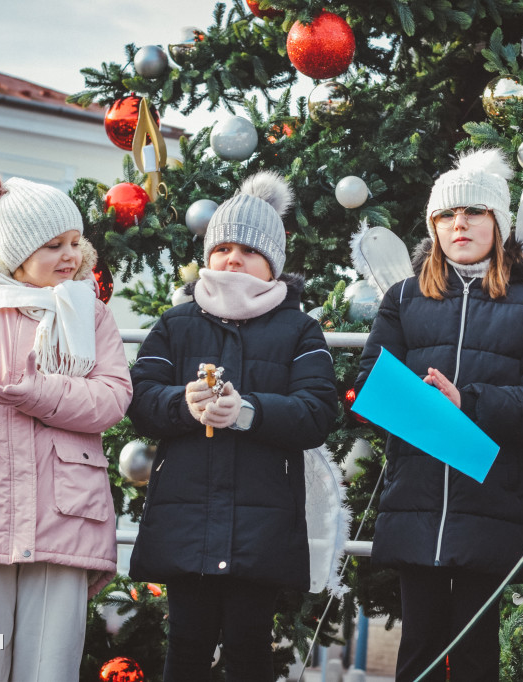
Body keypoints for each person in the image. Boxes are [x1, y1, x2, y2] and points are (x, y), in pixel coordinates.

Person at [356, 148, 523, 682]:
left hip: (489, 502)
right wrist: (412, 403)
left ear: (498, 224)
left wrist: (470, 402)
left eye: (475, 212)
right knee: (419, 650)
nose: (461, 224)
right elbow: (366, 382)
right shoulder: (405, 299)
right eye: (448, 215)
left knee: (477, 655)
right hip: (417, 501)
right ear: (433, 227)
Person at [0, 171, 132, 682]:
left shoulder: (93, 317)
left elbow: (112, 399)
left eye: (76, 243)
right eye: (53, 244)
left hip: (64, 510)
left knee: (49, 664)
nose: (70, 255)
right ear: (15, 252)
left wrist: (41, 395)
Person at [126, 171, 337, 682]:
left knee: (249, 652)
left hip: (259, 527)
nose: (233, 259)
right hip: (187, 520)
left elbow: (316, 411)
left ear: (273, 263)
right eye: (222, 247)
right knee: (187, 649)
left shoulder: (299, 329)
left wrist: (249, 412)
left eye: (248, 249)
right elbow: (139, 398)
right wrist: (184, 403)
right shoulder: (177, 324)